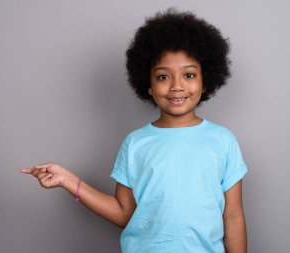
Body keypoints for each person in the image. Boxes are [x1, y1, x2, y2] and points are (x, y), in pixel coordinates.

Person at [20, 9, 248, 253]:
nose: (176, 86)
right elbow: (124, 213)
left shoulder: (222, 141)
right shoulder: (135, 143)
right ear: (148, 85)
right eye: (163, 77)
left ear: (205, 82)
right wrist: (69, 181)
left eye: (189, 75)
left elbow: (233, 217)